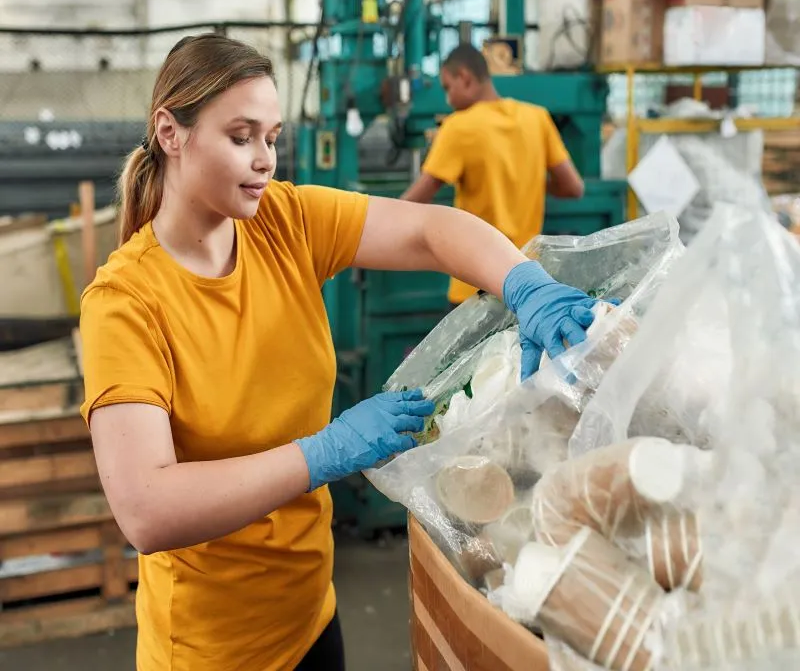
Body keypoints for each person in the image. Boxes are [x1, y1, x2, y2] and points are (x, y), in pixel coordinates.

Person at [80, 33, 606, 671]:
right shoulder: (125, 302)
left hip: (312, 615)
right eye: (241, 137)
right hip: (213, 648)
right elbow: (147, 509)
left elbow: (430, 229)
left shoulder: (283, 222)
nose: (265, 160)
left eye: (272, 138)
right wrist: (323, 452)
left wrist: (523, 283)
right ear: (171, 132)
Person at [401, 42, 586, 308]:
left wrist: (367, 218)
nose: (448, 99)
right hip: (526, 282)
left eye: (447, 88)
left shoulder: (458, 127)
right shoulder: (537, 118)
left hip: (473, 286)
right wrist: (530, 182)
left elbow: (418, 197)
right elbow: (573, 188)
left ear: (465, 78)